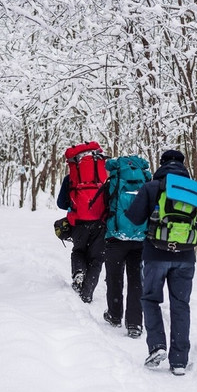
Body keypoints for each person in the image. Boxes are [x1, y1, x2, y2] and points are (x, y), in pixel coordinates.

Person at [125, 149, 197, 376]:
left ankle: (157, 346)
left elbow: (134, 217)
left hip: (155, 254)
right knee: (180, 305)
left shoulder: (152, 187)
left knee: (150, 299)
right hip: (185, 257)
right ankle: (179, 361)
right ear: (184, 166)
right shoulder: (194, 190)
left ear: (161, 164)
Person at [100, 156, 151, 338]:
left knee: (114, 277)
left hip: (115, 238)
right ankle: (135, 323)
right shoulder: (146, 182)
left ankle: (114, 315)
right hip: (140, 239)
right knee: (136, 281)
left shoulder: (113, 181)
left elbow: (103, 206)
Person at [56, 143, 107, 303]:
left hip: (78, 223)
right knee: (97, 259)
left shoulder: (71, 178)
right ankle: (87, 292)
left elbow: (61, 204)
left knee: (78, 251)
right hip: (100, 222)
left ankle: (78, 271)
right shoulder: (104, 175)